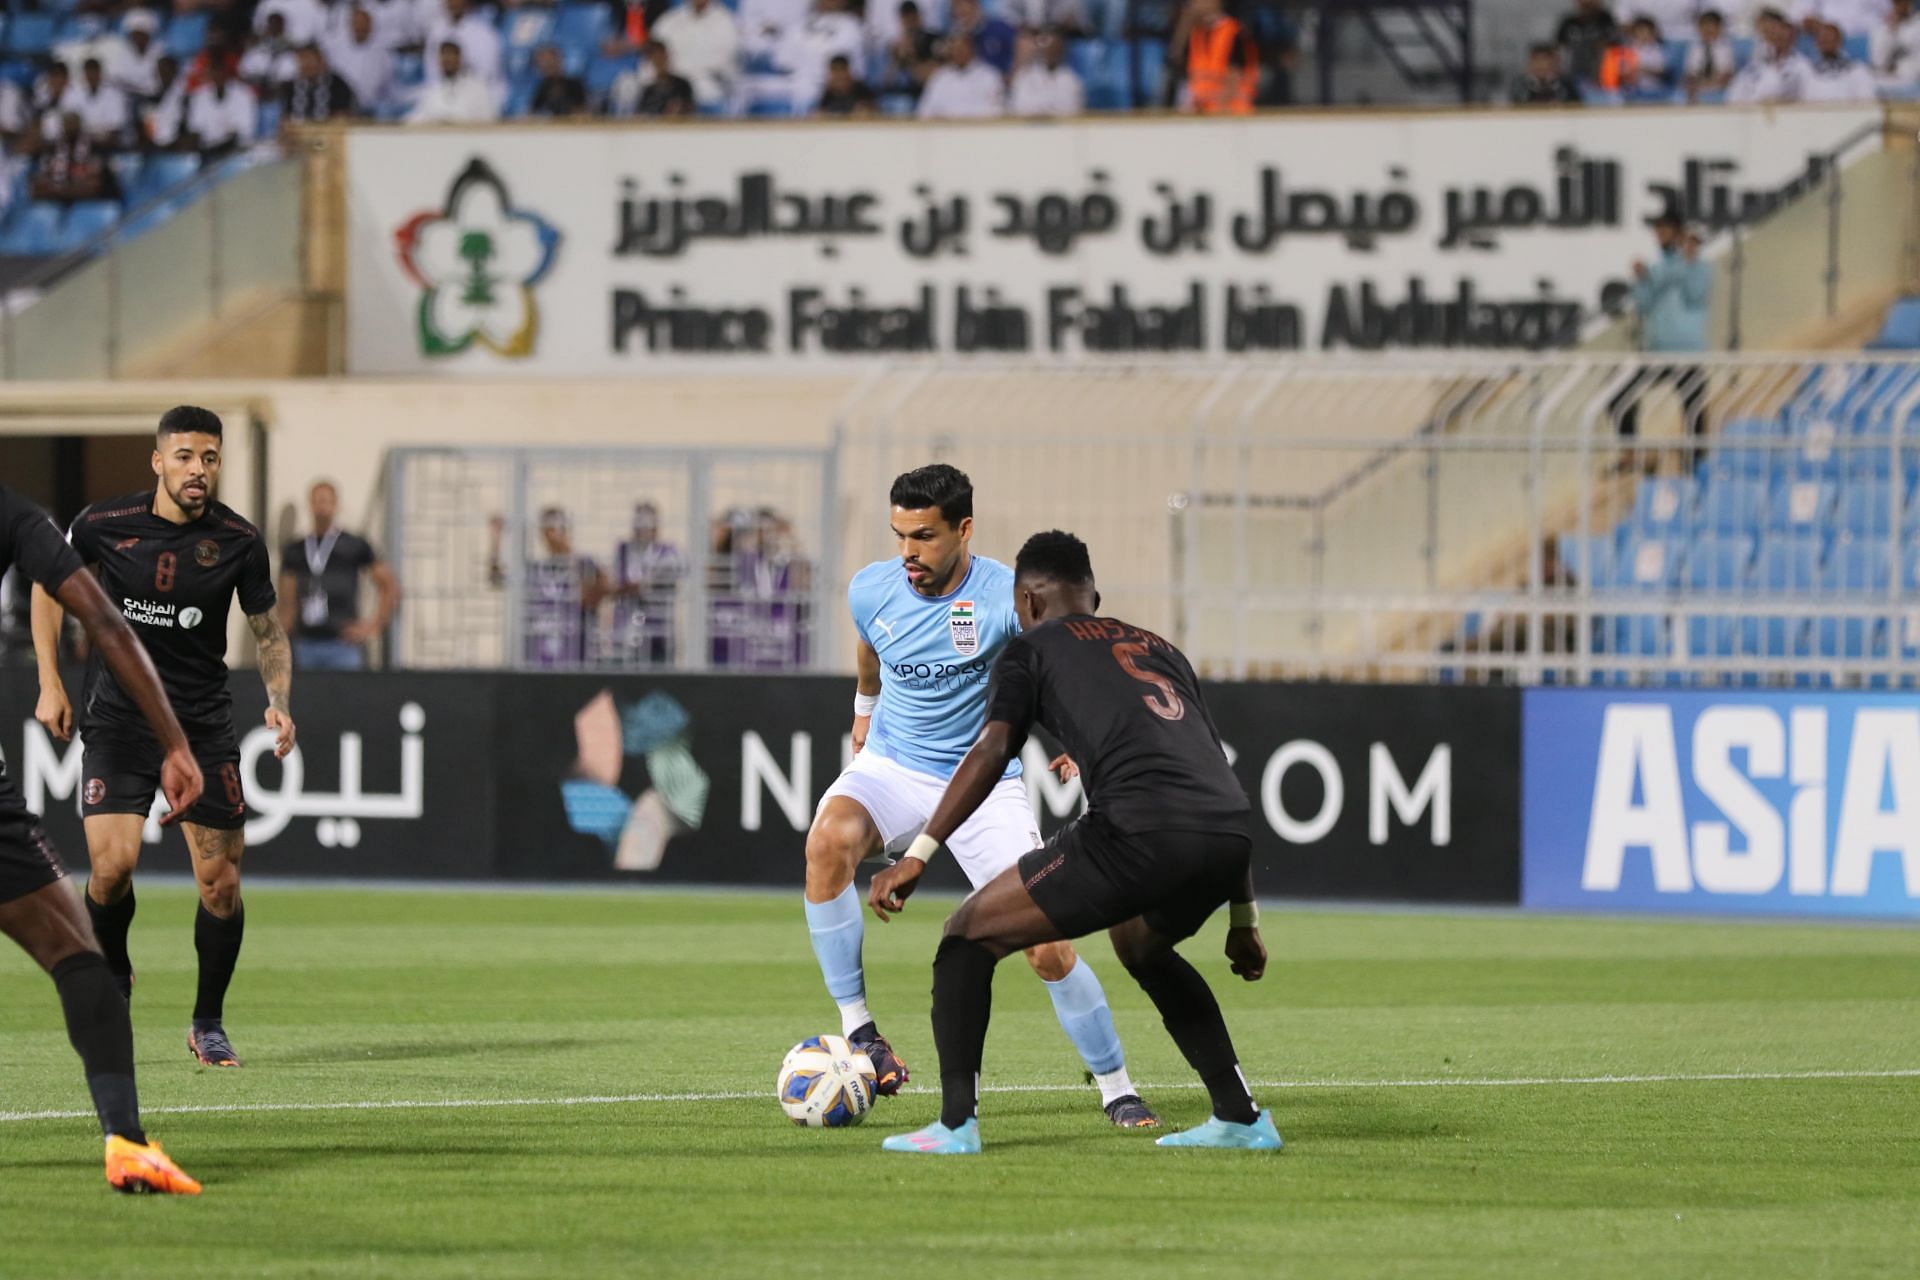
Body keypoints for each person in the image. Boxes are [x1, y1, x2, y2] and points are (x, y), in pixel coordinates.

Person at [868, 529, 1273, 1156]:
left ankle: (954, 1127)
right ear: (1095, 596)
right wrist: (1243, 917)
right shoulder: (1161, 648)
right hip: (1227, 838)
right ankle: (1240, 1117)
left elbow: (992, 748)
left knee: (965, 935)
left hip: (1136, 831)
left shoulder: (1027, 651)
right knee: (1141, 945)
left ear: (1025, 603)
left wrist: (919, 851)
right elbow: (1217, 772)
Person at [803, 466, 1157, 1128]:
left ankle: (1116, 1086)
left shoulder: (1005, 597)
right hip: (892, 766)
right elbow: (871, 651)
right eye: (899, 535)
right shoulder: (872, 589)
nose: (908, 552)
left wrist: (1073, 736)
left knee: (1044, 942)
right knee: (827, 842)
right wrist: (862, 713)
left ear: (964, 530)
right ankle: (860, 1032)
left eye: (924, 536)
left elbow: (1058, 662)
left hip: (983, 785)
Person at [30, 406, 296, 1072]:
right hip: (119, 720)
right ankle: (116, 970)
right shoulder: (103, 525)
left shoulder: (239, 540)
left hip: (201, 724)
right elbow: (45, 586)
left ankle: (207, 1023)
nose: (197, 470)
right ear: (158, 462)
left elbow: (268, 632)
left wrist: (280, 703)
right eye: (183, 456)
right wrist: (51, 682)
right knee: (111, 867)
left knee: (221, 885)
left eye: (208, 458)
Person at [0, 486, 206, 1194]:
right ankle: (124, 1140)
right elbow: (109, 626)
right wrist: (175, 744)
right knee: (76, 953)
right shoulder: (14, 515)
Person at [278, 480, 398, 671]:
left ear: (336, 505)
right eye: (317, 501)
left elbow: (388, 584)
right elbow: (286, 601)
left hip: (343, 646)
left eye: (326, 501)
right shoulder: (296, 549)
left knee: (344, 698)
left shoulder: (354, 545)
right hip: (305, 644)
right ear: (310, 505)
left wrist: (373, 626)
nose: (321, 507)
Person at [1611, 213, 1711, 441]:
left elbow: (1696, 295)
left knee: (1693, 410)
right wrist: (1642, 279)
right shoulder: (1656, 268)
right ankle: (1631, 452)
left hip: (1688, 353)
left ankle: (1695, 466)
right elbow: (1644, 305)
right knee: (1618, 392)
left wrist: (1688, 261)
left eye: (1665, 231)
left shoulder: (1700, 267)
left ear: (1678, 234)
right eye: (1658, 231)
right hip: (1656, 351)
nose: (1660, 236)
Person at [487, 506, 609, 667]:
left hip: (575, 659)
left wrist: (568, 551)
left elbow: (603, 588)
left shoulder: (584, 565)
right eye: (550, 529)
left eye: (560, 528)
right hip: (537, 660)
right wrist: (496, 540)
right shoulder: (533, 569)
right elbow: (497, 580)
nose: (555, 534)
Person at [612, 501, 683, 666]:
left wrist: (644, 584)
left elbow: (673, 575)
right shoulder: (624, 549)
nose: (643, 528)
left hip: (660, 629)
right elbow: (619, 584)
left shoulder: (668, 550)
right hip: (630, 627)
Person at [648, 0, 740, 109]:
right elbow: (653, 54)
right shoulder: (668, 21)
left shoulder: (726, 22)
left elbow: (725, 64)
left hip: (707, 90)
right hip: (672, 89)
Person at [1171, 0, 1258, 114]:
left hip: (1232, 114)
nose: (1192, 5)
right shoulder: (1195, 33)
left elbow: (1235, 77)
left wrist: (1215, 114)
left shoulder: (1234, 32)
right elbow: (1175, 57)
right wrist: (1184, 24)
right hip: (1203, 114)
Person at [1728, 6, 1812, 101]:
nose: (1780, 38)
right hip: (1751, 111)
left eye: (1785, 36)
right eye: (1777, 36)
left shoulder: (1802, 66)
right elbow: (1737, 90)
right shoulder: (1756, 65)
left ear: (1793, 38)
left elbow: (1806, 98)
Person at [324, 6, 396, 116]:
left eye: (364, 24)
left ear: (371, 26)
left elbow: (388, 88)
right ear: (350, 25)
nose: (360, 27)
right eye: (357, 23)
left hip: (372, 110)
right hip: (341, 110)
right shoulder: (334, 50)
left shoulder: (383, 55)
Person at [407, 41, 501, 122]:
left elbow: (489, 119)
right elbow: (417, 118)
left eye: (451, 57)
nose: (447, 61)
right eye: (444, 58)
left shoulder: (477, 88)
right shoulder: (433, 91)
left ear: (460, 59)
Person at [916, 32, 1004, 116]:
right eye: (955, 49)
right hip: (945, 129)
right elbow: (925, 110)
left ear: (972, 49)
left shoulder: (989, 75)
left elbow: (997, 110)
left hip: (979, 129)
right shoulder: (940, 77)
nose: (958, 53)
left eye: (962, 48)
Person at [184, 57, 259, 154]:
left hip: (236, 149)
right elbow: (195, 129)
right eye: (214, 72)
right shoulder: (199, 96)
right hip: (207, 150)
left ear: (226, 73)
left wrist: (218, 147)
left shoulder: (244, 94)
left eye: (220, 72)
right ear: (209, 74)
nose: (217, 76)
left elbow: (243, 131)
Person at [1009, 27, 1083, 115]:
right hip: (1028, 127)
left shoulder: (1071, 80)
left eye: (1055, 49)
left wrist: (1041, 108)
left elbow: (1071, 109)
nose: (1051, 52)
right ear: (1041, 49)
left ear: (1061, 51)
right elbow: (1019, 107)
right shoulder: (1024, 77)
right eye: (1048, 48)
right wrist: (1047, 108)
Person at [280, 44, 358, 123]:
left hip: (328, 131)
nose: (306, 64)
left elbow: (343, 115)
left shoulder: (338, 84)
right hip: (299, 132)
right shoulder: (292, 86)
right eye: (301, 60)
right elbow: (286, 116)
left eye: (309, 59)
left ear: (321, 61)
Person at [1803, 17, 1881, 95]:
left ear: (1839, 41)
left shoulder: (1856, 70)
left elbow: (1866, 99)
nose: (1825, 41)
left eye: (1830, 39)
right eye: (1823, 39)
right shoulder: (1807, 71)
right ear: (1817, 43)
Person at [1555, 0, 1618, 82]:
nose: (1588, 4)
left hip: (1602, 76)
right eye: (1584, 3)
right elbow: (1558, 49)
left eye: (1591, 2)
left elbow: (1614, 47)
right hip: (1573, 74)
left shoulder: (1606, 21)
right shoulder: (1569, 23)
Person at [1684, 8, 1737, 98]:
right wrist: (1693, 84)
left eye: (1710, 29)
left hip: (1719, 85)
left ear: (1719, 28)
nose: (1707, 31)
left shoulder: (1725, 48)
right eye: (1703, 28)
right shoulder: (1695, 47)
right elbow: (1690, 73)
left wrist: (1707, 85)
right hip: (1698, 86)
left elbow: (1727, 75)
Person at [633, 40, 696, 113]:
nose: (659, 62)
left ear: (667, 58)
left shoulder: (682, 85)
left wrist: (679, 109)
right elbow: (641, 116)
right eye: (656, 59)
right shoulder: (648, 91)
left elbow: (691, 111)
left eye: (662, 57)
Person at [528, 43, 589, 115]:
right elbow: (532, 112)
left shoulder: (575, 84)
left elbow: (582, 111)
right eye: (542, 62)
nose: (545, 65)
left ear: (559, 60)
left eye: (549, 61)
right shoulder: (542, 87)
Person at [1870, 0, 1920, 86]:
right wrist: (1890, 31)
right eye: (1898, 2)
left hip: (1912, 78)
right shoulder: (1882, 27)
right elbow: (1878, 60)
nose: (1902, 5)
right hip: (1886, 80)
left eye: (1906, 2)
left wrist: (1899, 69)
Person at [1512, 41, 1582, 101]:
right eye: (1536, 61)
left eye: (1546, 62)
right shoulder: (1520, 87)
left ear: (1555, 64)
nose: (1541, 65)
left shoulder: (1566, 86)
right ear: (1529, 65)